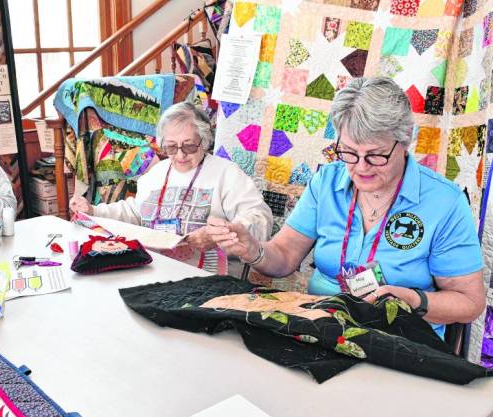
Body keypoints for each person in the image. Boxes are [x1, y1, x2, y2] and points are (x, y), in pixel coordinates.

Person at [208, 77, 485, 337]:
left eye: (376, 155)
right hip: (322, 330)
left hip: (400, 340)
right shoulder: (327, 182)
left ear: (405, 140)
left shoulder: (444, 202)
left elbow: (470, 302)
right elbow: (283, 255)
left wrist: (413, 300)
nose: (361, 167)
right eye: (349, 153)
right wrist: (253, 250)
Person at [69, 102, 273, 274]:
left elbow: (259, 216)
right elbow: (134, 211)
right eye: (171, 147)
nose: (181, 155)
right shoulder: (156, 174)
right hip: (155, 269)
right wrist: (93, 210)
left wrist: (222, 234)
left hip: (208, 277)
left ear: (205, 141)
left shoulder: (226, 173)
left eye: (189, 145)